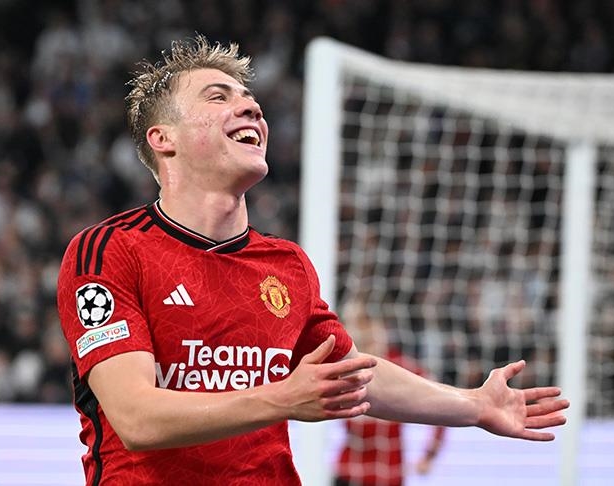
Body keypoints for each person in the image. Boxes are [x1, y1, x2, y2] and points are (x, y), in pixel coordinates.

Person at [56, 35, 569, 486]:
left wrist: (473, 404)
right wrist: (282, 398)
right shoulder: (110, 250)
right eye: (219, 96)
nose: (250, 108)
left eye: (250, 99)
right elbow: (137, 418)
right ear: (163, 139)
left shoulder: (286, 264)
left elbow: (352, 372)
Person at [333, 299, 446, 486]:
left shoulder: (401, 366)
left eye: (363, 322)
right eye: (351, 323)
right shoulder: (345, 366)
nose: (358, 330)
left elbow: (441, 403)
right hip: (348, 473)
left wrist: (429, 455)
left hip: (389, 475)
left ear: (379, 326)